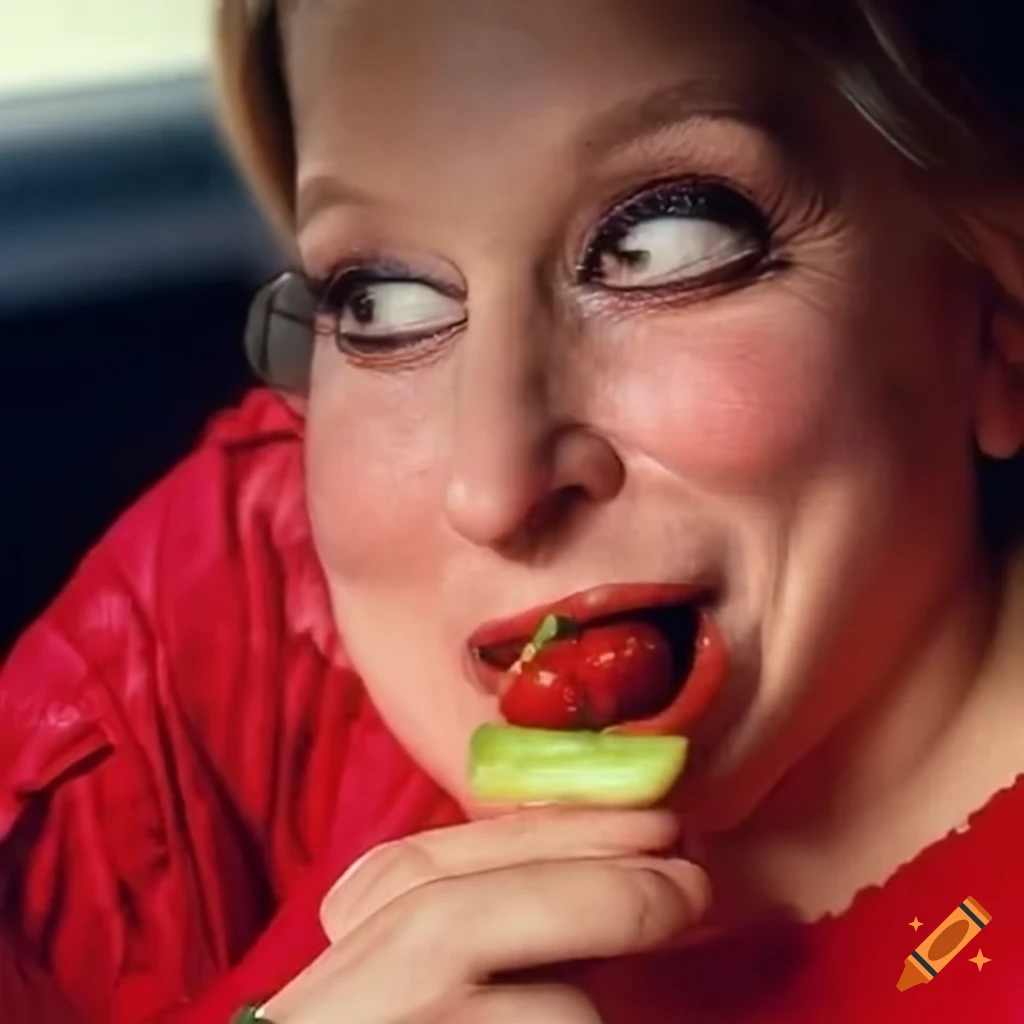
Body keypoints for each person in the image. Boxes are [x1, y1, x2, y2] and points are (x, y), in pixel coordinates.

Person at [2, 0, 1022, 1021]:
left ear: (998, 310)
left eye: (661, 239)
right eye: (378, 299)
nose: (492, 489)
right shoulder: (249, 596)